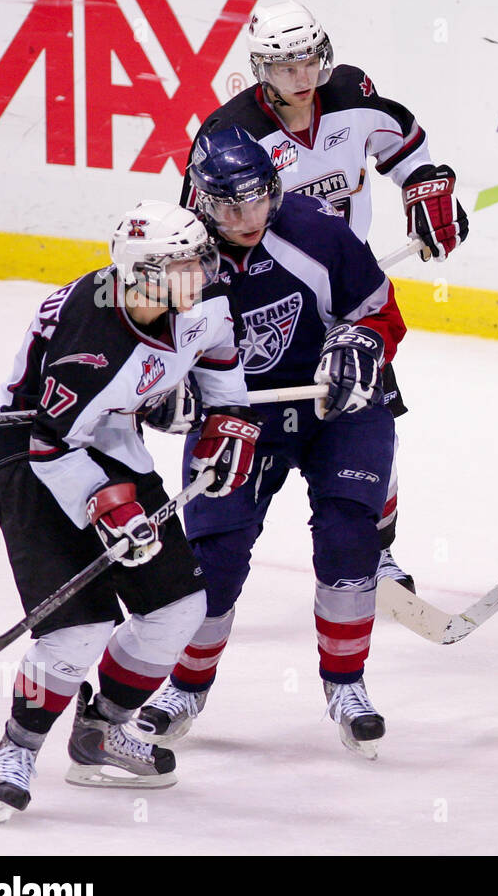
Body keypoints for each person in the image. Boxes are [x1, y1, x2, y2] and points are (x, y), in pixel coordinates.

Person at [0, 201, 260, 821]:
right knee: (78, 631)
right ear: (144, 274)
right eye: (188, 263)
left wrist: (225, 420)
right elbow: (50, 443)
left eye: (200, 257)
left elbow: (219, 364)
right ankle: (17, 747)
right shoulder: (93, 339)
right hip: (32, 460)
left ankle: (101, 729)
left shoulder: (199, 299)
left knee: (179, 606)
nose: (206, 271)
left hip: (106, 444)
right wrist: (103, 506)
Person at [180, 0, 470, 590]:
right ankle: (211, 564)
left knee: (372, 425)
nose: (302, 76)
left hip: (342, 290)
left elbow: (406, 146)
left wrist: (428, 190)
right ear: (262, 68)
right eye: (286, 66)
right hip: (263, 301)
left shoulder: (353, 97)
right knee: (247, 435)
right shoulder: (229, 136)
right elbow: (196, 232)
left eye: (309, 60)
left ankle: (376, 552)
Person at [138, 127, 406, 759]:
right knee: (214, 557)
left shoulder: (316, 231)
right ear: (201, 201)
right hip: (238, 418)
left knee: (349, 536)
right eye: (228, 206)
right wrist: (164, 389)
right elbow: (145, 349)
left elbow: (380, 310)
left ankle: (347, 685)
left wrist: (362, 343)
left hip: (335, 403)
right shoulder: (178, 260)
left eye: (256, 200)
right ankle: (185, 686)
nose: (244, 217)